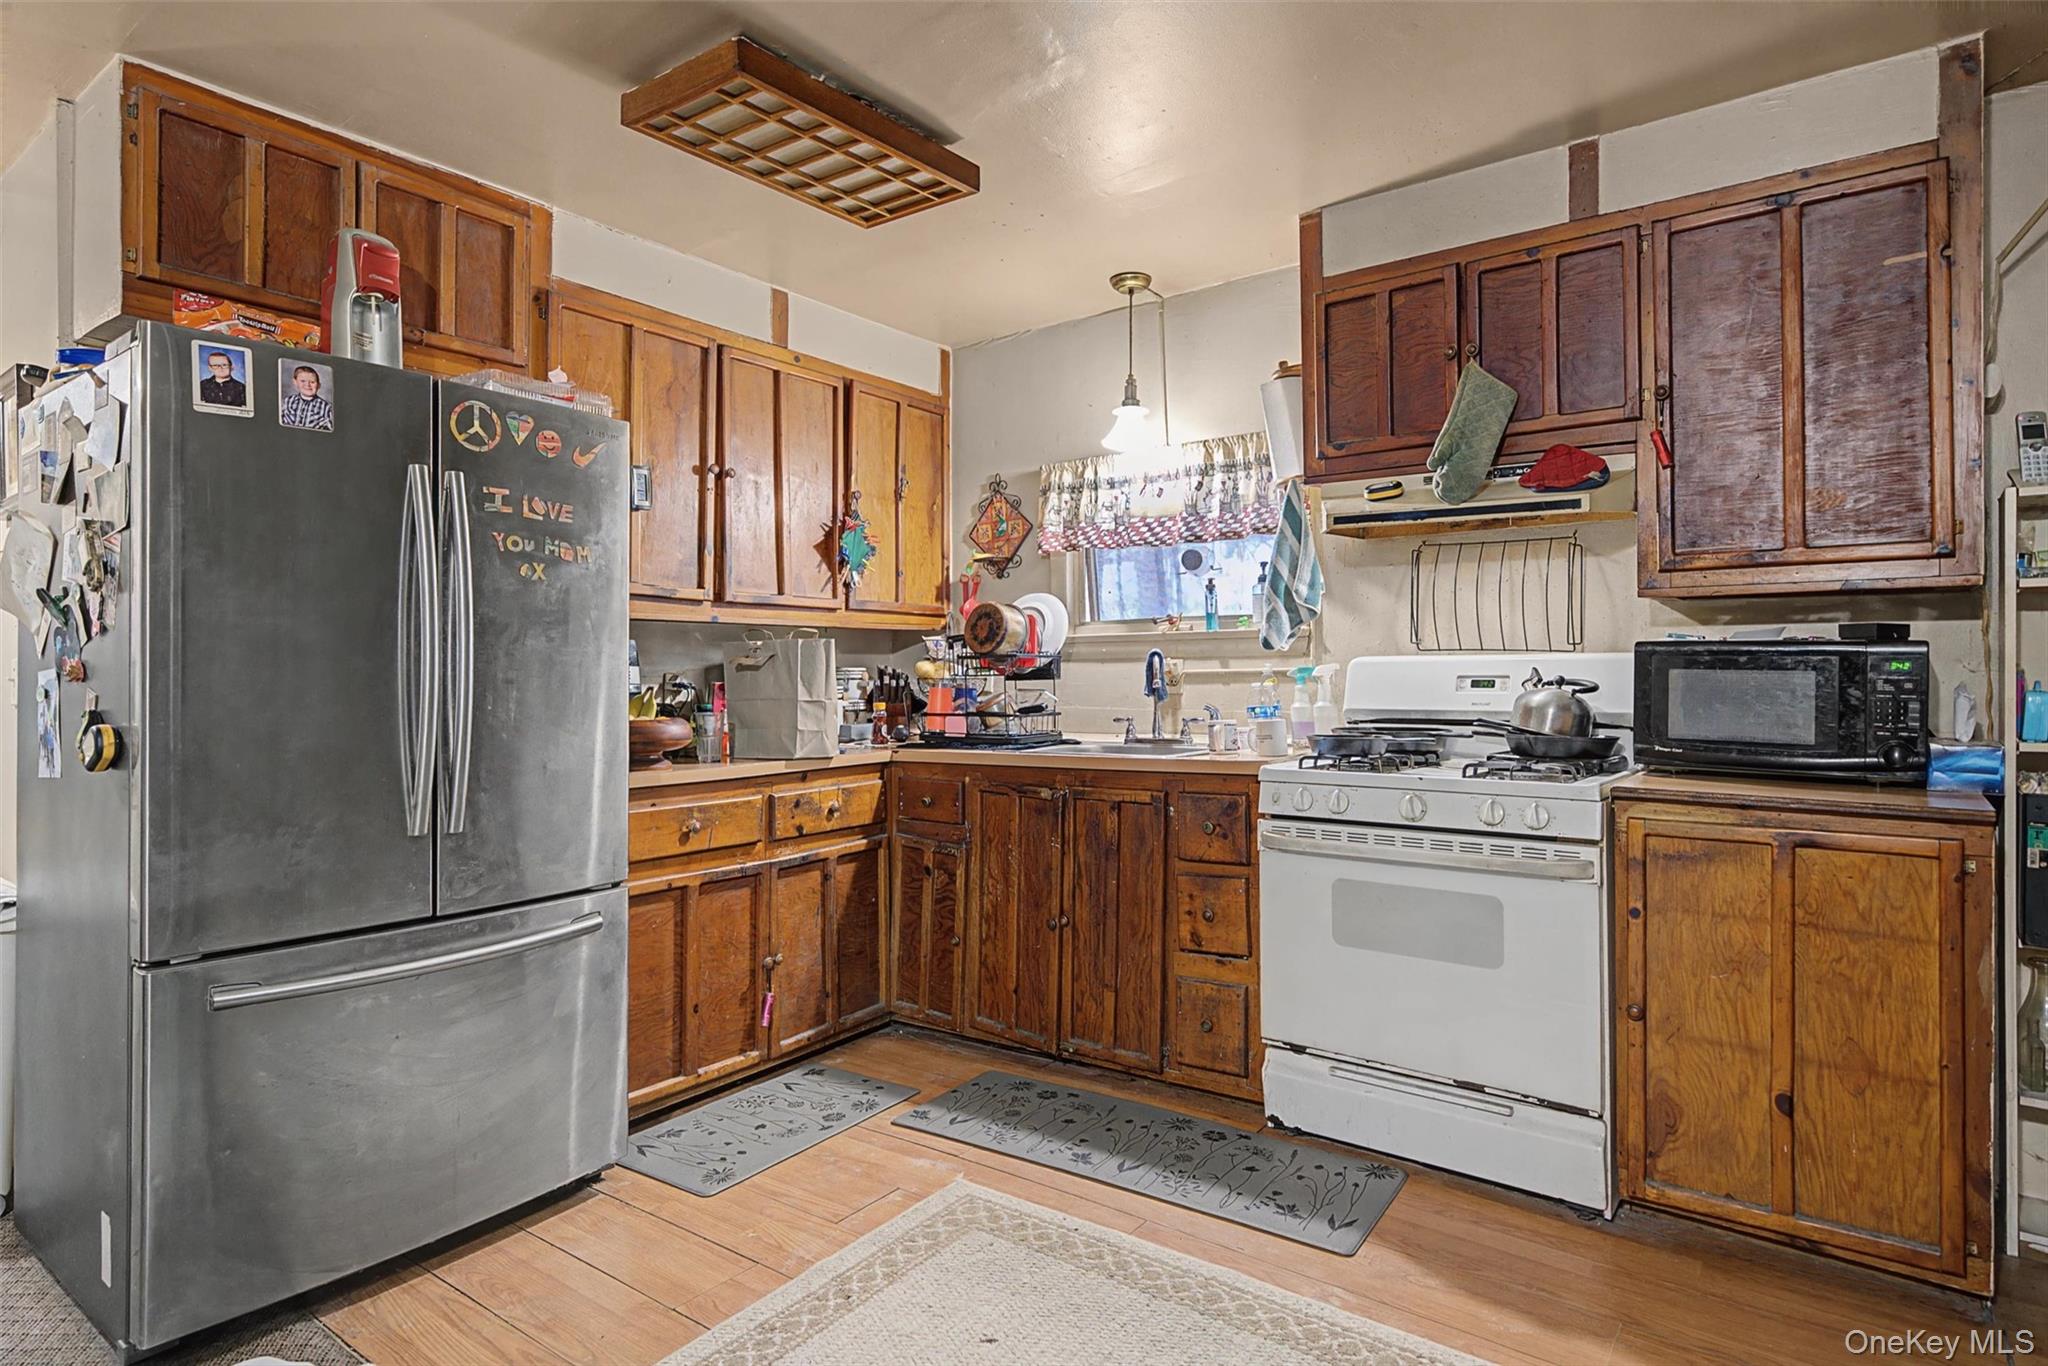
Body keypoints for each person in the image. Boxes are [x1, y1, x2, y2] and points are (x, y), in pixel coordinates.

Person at [279, 364, 334, 431]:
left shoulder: (327, 407)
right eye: (303, 381)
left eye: (312, 382)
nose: (307, 385)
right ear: (295, 382)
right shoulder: (287, 401)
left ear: (319, 385)